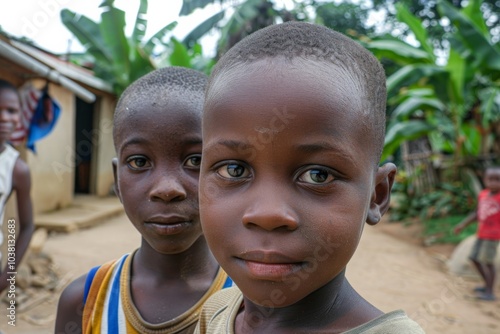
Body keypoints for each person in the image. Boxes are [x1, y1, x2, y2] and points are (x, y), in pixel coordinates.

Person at [195, 22, 425, 333]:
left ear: (377, 195)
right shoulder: (216, 311)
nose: (268, 214)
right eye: (233, 170)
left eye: (318, 175)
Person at [55, 67, 232, 334]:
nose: (166, 189)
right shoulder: (84, 302)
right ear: (117, 180)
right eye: (139, 161)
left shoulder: (251, 303)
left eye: (195, 160)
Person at [0, 79, 34, 294]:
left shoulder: (16, 169)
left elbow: (28, 226)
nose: (4, 118)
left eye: (11, 111)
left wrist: (7, 276)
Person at [454, 165, 500, 301]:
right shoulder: (483, 194)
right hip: (481, 233)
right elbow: (477, 213)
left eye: (497, 180)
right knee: (474, 258)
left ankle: (490, 292)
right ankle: (487, 285)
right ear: (484, 179)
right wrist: (462, 224)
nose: (493, 183)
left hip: (493, 236)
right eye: (490, 179)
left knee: (488, 262)